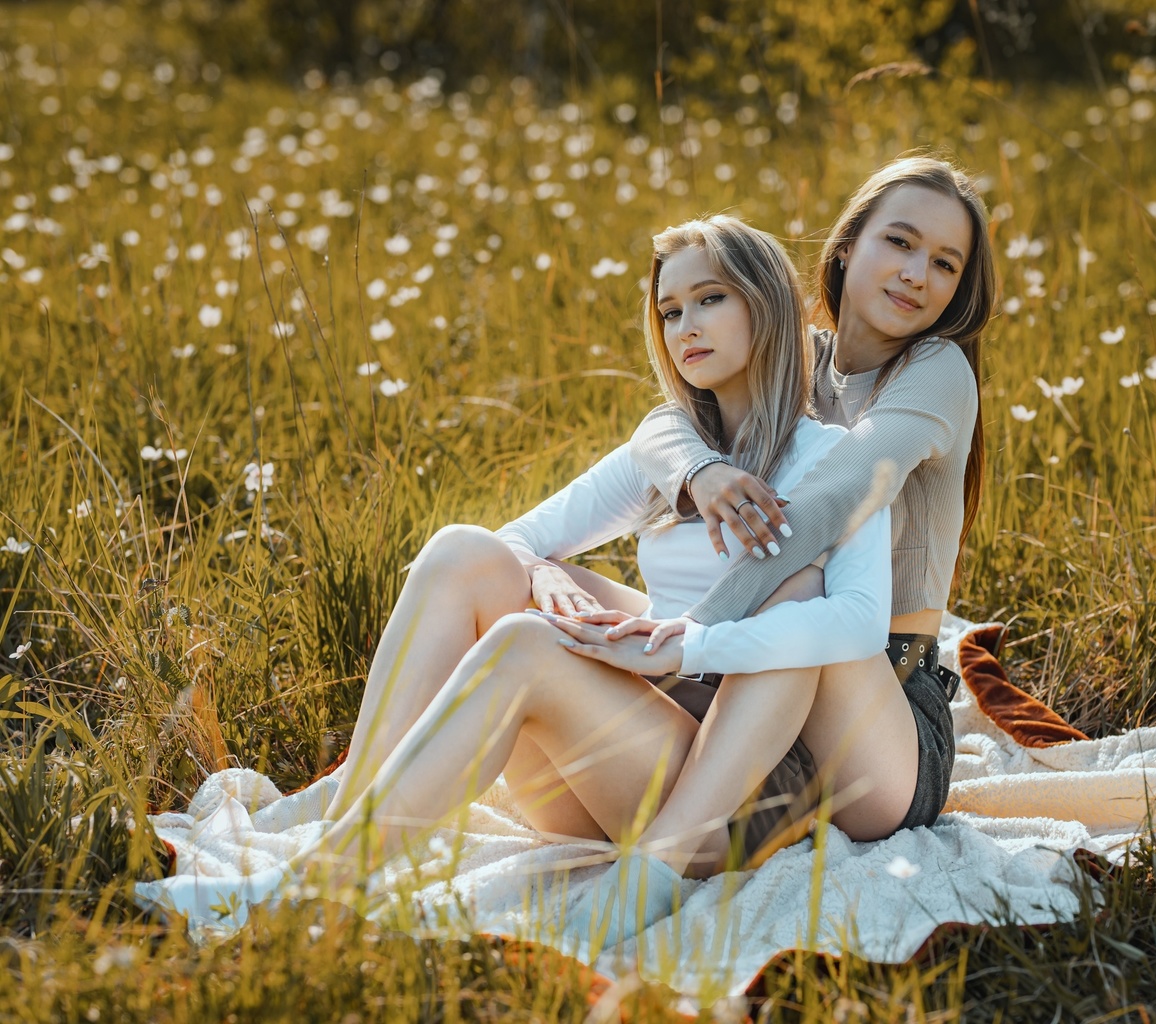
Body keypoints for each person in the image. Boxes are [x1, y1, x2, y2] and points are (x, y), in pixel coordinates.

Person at [171, 216, 896, 944]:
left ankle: (305, 895)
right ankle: (352, 795)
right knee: (464, 550)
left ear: (764, 305)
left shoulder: (828, 459)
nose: (685, 327)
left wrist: (688, 646)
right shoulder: (673, 448)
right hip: (617, 769)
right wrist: (541, 574)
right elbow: (512, 540)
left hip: (730, 791)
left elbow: (861, 623)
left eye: (709, 299)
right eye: (670, 311)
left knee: (531, 642)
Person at [552, 154, 995, 875]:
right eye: (901, 243)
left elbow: (831, 502)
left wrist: (691, 636)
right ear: (847, 246)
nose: (918, 273)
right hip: (755, 662)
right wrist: (702, 468)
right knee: (555, 598)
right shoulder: (800, 359)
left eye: (946, 264)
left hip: (880, 697)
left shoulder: (936, 371)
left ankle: (659, 869)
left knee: (806, 591)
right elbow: (663, 426)